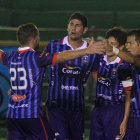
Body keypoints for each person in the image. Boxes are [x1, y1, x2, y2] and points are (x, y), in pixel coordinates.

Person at [0, 23, 105, 140]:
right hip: (31, 115)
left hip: (12, 116)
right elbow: (61, 57)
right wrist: (86, 51)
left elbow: (1, 54)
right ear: (35, 38)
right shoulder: (37, 57)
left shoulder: (10, 57)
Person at [44, 12, 105, 140]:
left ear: (85, 30)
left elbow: (97, 78)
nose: (73, 28)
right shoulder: (53, 45)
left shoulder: (93, 51)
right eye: (71, 24)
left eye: (77, 25)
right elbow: (37, 67)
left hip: (77, 106)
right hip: (56, 105)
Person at [89, 27, 132, 140]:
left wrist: (124, 121)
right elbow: (95, 76)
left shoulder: (124, 66)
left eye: (112, 44)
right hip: (98, 109)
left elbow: (128, 96)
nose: (108, 46)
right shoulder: (98, 59)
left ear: (121, 47)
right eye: (107, 42)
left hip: (116, 111)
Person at [109, 29, 140, 139]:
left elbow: (133, 60)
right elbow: (128, 88)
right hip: (133, 115)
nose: (127, 46)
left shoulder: (133, 60)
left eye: (130, 43)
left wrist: (113, 49)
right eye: (126, 43)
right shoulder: (128, 65)